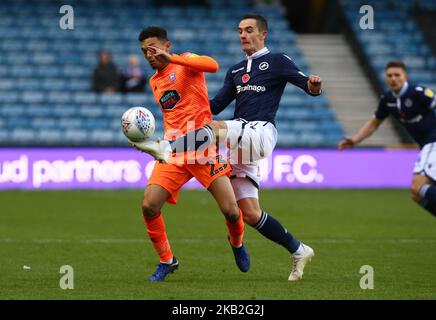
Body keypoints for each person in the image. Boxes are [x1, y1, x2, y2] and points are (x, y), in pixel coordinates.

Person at [131, 14, 321, 281]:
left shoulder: (277, 61)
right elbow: (214, 105)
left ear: (263, 34)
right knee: (247, 213)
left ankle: (166, 147)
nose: (243, 34)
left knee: (215, 128)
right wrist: (191, 101)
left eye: (249, 30)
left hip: (259, 131)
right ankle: (299, 250)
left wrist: (313, 87)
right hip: (238, 143)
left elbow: (306, 84)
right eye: (240, 30)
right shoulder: (235, 71)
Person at [134, 26, 250, 282]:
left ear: (166, 46)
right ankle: (167, 260)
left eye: (152, 49)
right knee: (149, 206)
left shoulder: (187, 62)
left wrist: (173, 59)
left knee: (231, 211)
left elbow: (213, 65)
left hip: (202, 149)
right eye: (144, 51)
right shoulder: (154, 81)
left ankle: (237, 243)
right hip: (173, 152)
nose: (149, 55)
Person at [339, 61, 436, 217]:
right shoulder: (387, 99)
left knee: (417, 187)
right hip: (426, 146)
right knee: (417, 196)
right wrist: (354, 140)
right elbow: (374, 123)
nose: (393, 78)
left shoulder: (418, 92)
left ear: (405, 77)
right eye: (389, 75)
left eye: (397, 75)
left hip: (433, 143)